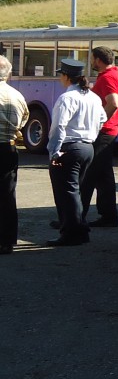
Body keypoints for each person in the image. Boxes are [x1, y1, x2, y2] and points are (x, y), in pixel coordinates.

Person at [47, 58, 105, 247]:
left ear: (66, 76)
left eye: (60, 75)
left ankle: (71, 233)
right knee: (75, 191)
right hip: (87, 147)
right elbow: (102, 118)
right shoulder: (93, 97)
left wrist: (54, 151)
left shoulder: (67, 98)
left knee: (66, 192)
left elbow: (58, 127)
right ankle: (80, 229)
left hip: (69, 148)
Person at [80, 45, 118, 227]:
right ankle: (108, 216)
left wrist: (100, 122)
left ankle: (76, 216)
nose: (91, 62)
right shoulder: (117, 76)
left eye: (92, 59)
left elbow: (114, 103)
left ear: (98, 60)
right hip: (111, 131)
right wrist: (115, 120)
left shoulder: (108, 77)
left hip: (103, 132)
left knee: (88, 174)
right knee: (104, 176)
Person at [0, 55, 30, 255]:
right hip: (8, 149)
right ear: (8, 73)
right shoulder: (17, 95)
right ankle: (7, 241)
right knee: (7, 195)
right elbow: (24, 120)